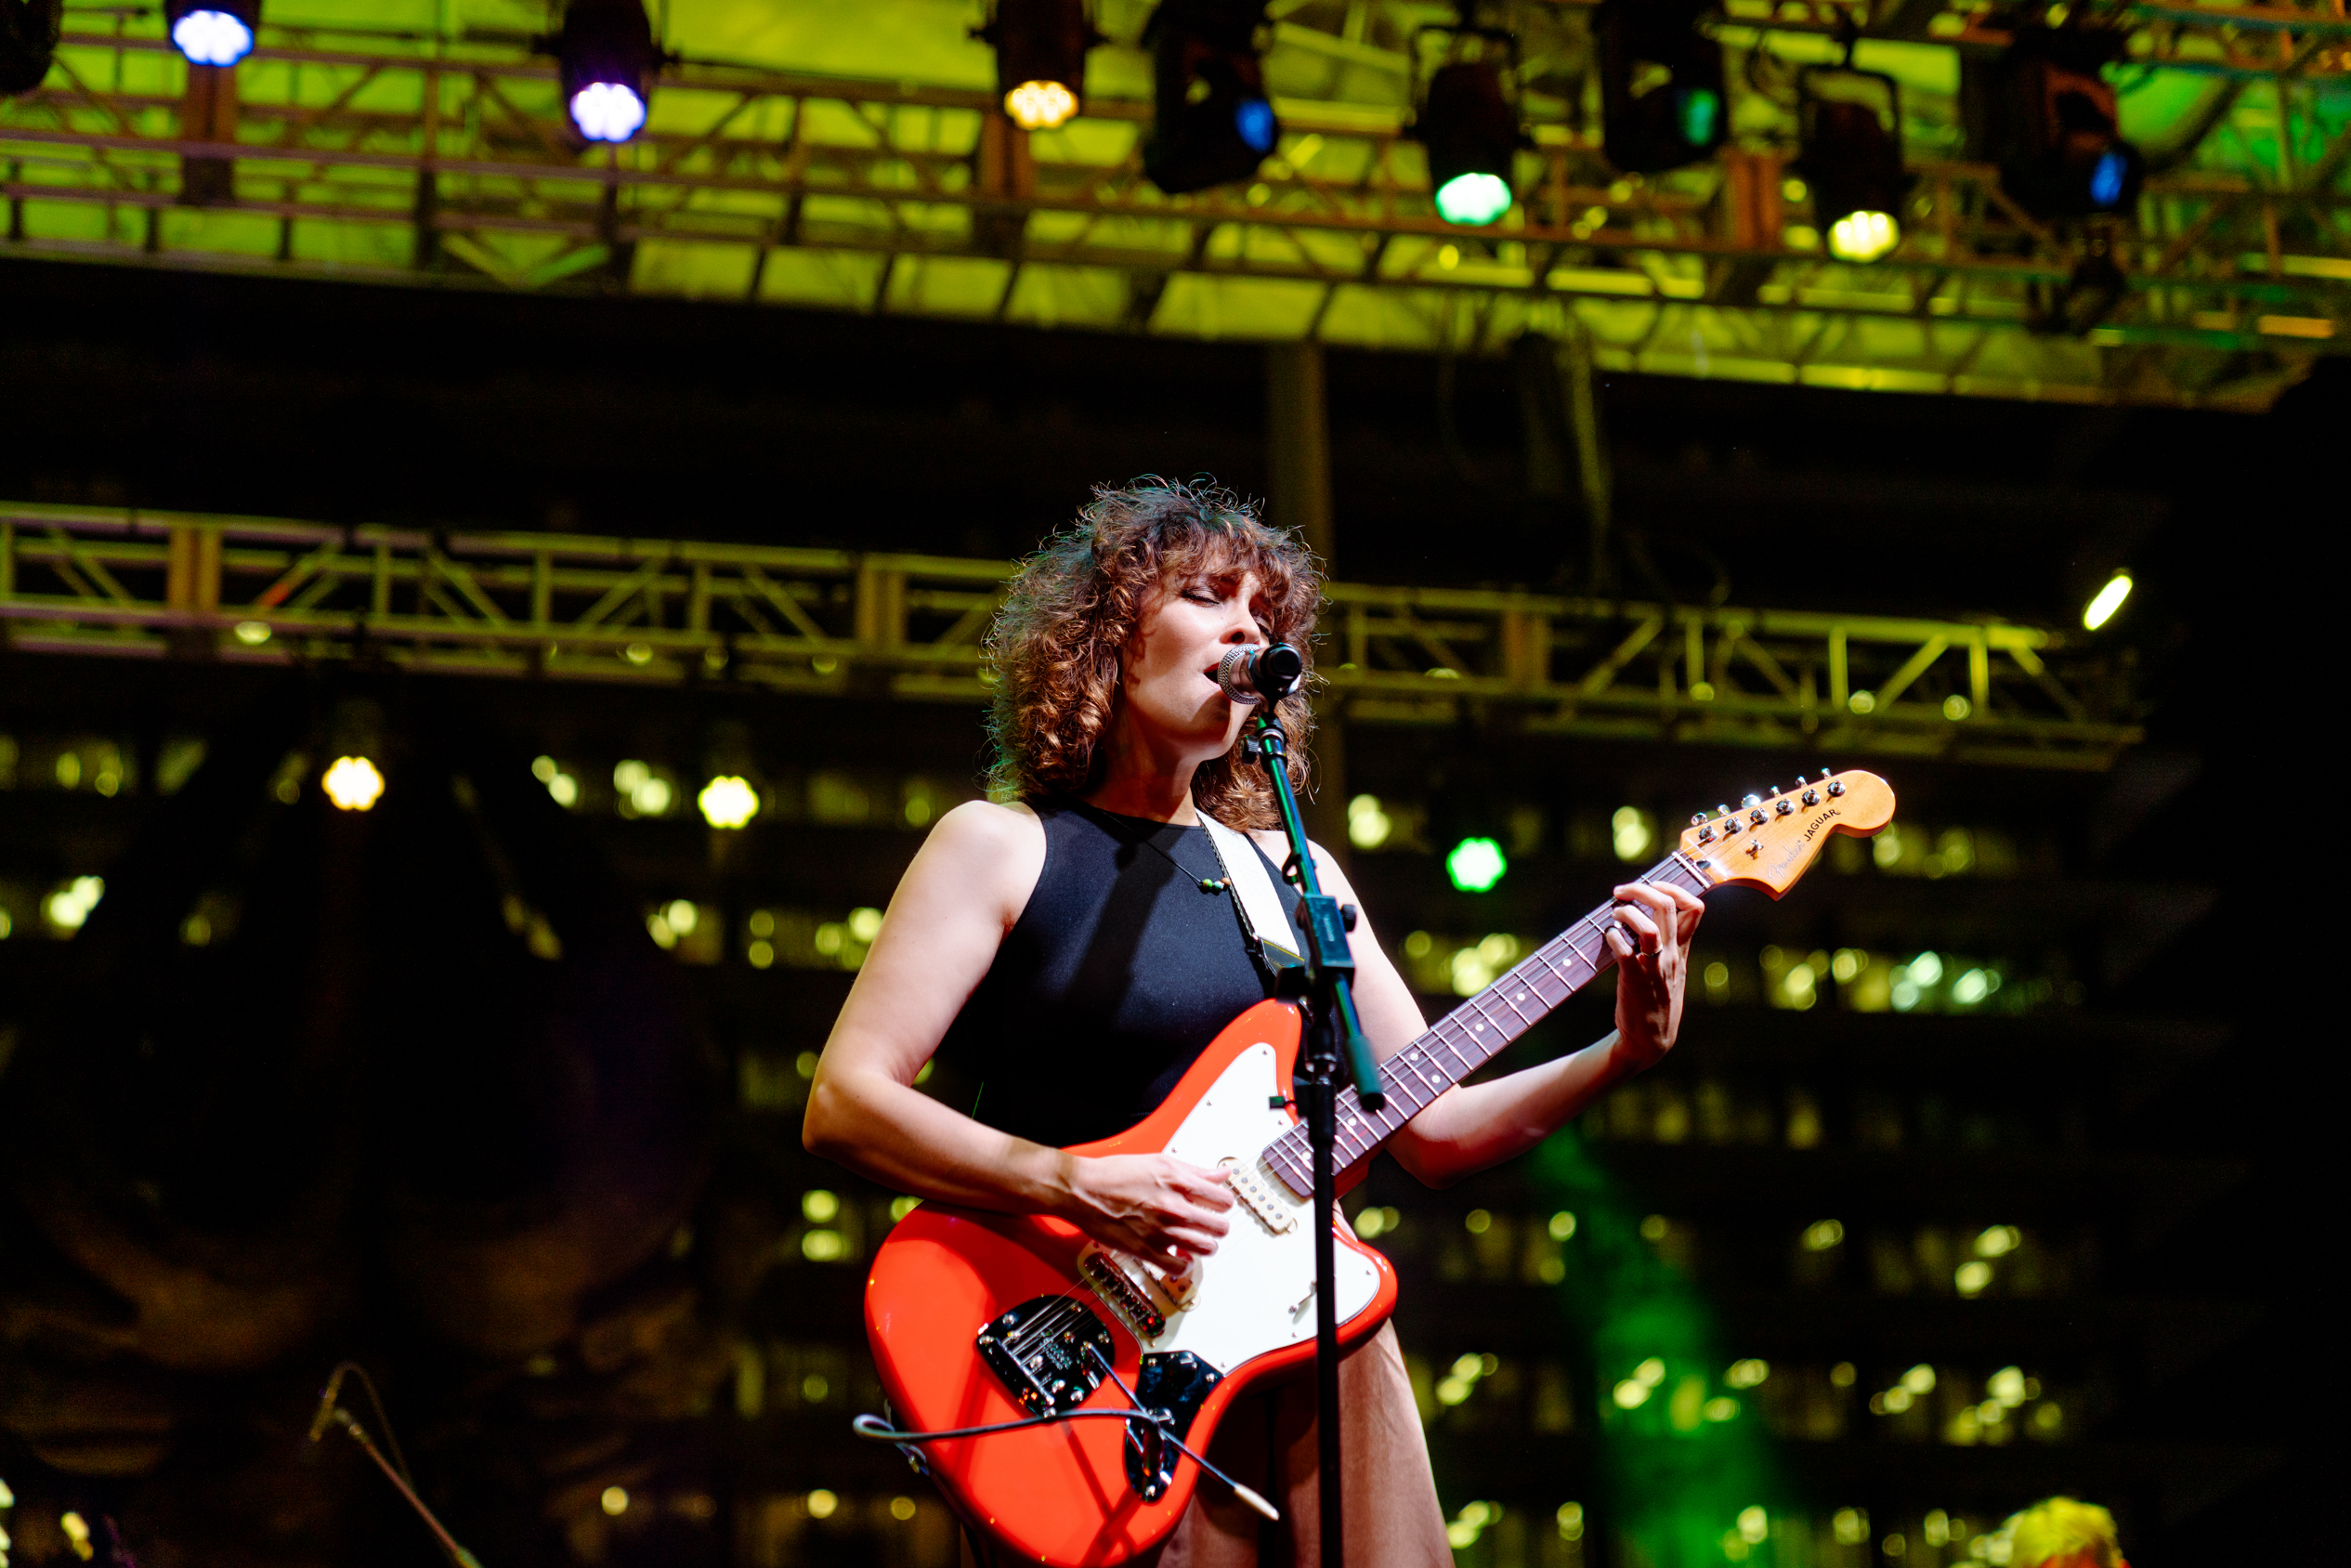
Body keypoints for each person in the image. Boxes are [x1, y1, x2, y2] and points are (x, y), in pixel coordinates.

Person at [803, 479, 1703, 1565]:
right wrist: (1071, 1180)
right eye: (1204, 595)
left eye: (1263, 615)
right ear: (1105, 637)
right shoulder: (998, 846)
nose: (1246, 629)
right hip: (1097, 1364)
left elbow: (1430, 1124)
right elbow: (846, 1100)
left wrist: (1623, 1048)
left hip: (1308, 1337)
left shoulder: (1294, 874)